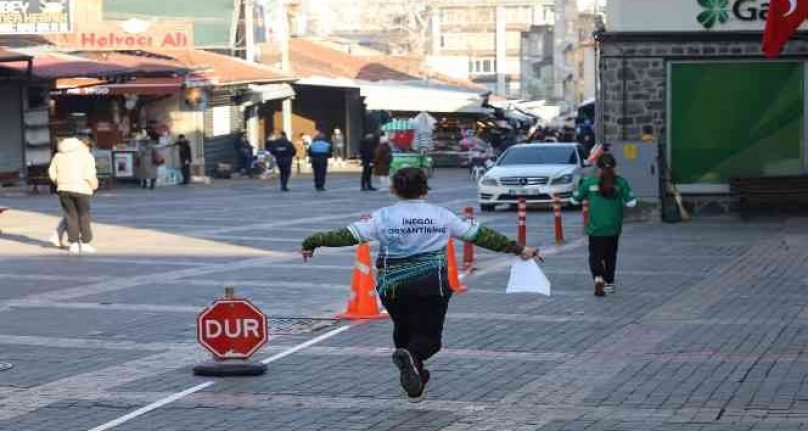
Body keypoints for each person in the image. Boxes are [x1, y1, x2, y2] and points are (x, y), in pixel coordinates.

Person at [301, 168, 540, 402]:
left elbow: (347, 235)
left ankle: (414, 378)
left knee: (404, 331)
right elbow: (481, 236)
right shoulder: (441, 215)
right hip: (431, 284)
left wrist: (313, 241)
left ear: (394, 189)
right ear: (425, 189)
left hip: (392, 286)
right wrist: (519, 249)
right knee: (430, 340)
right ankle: (413, 360)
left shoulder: (383, 216)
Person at [570, 153, 637, 297]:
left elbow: (575, 200)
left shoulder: (589, 182)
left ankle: (598, 278)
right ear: (615, 167)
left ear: (598, 168)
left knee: (595, 256)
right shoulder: (621, 182)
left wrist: (577, 190)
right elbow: (632, 203)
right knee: (610, 256)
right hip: (614, 227)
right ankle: (609, 284)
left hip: (596, 228)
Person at [48, 136, 99, 255]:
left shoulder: (58, 155)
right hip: (81, 188)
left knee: (71, 216)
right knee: (84, 216)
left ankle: (74, 244)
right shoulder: (86, 155)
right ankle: (85, 243)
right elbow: (90, 174)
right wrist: (94, 185)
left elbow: (52, 172)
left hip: (63, 189)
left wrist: (59, 182)